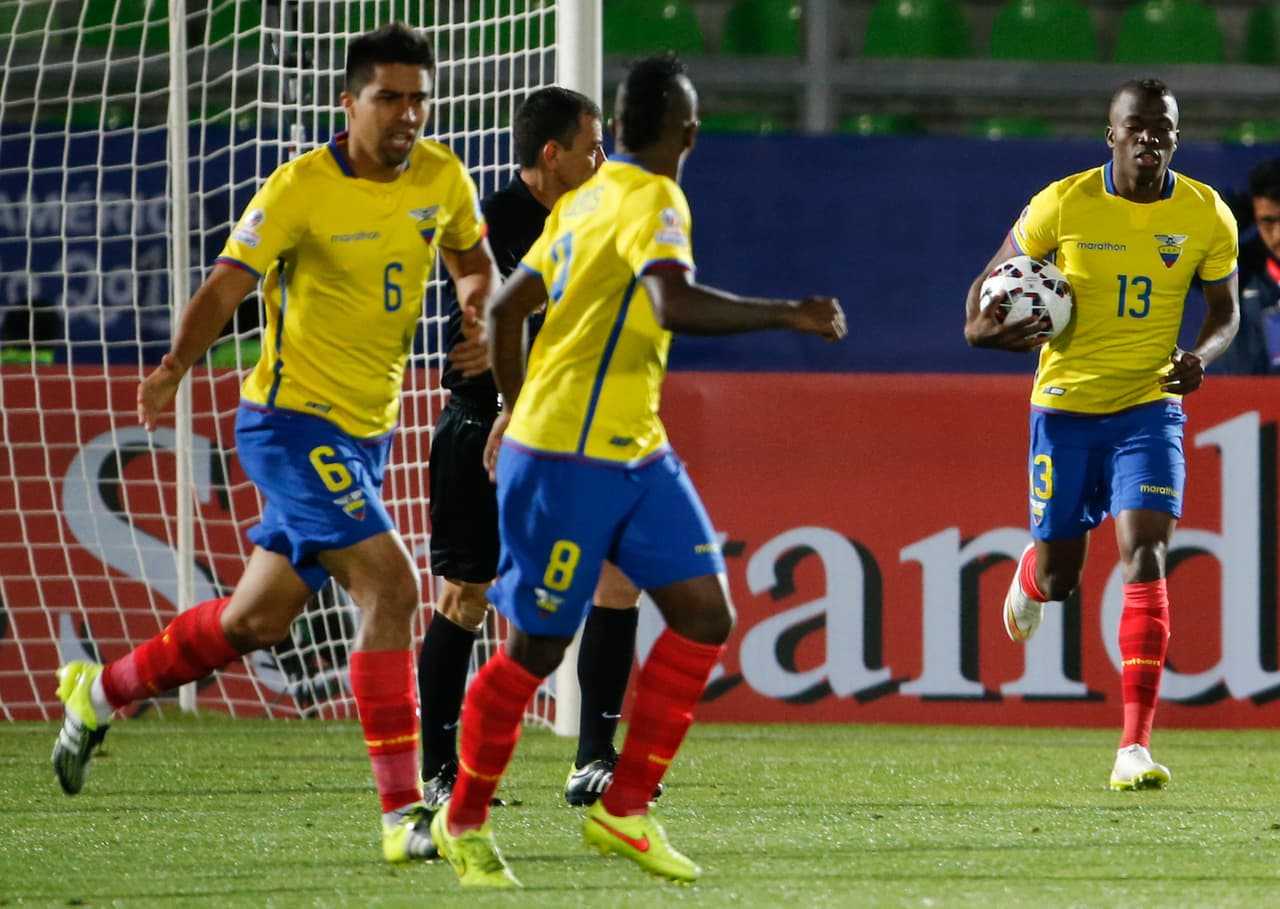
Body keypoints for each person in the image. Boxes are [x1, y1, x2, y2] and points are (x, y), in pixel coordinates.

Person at [50, 23, 499, 864]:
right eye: (388, 98)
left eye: (417, 99)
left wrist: (475, 308)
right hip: (290, 424)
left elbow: (474, 261)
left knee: (256, 621)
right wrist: (176, 366)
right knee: (392, 590)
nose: (406, 115)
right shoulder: (300, 187)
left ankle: (100, 694)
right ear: (349, 103)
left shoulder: (442, 175)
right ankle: (403, 814)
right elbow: (227, 284)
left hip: (368, 432)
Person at [427, 53, 847, 888]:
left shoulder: (585, 199)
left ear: (615, 129)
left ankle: (624, 807)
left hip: (633, 448)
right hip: (566, 458)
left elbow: (510, 306)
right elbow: (668, 301)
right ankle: (461, 816)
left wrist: (512, 401)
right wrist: (787, 313)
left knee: (702, 610)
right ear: (689, 131)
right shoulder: (654, 197)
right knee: (537, 645)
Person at [963, 78, 1239, 791]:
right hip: (1065, 408)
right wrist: (983, 330)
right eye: (1137, 126)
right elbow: (986, 290)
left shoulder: (1207, 213)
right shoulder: (1065, 202)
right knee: (1060, 577)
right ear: (1110, 134)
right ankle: (1031, 573)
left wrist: (1198, 358)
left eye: (1164, 128)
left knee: (1143, 550)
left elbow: (1226, 312)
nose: (1151, 137)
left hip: (1150, 407)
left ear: (1176, 137)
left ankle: (1133, 747)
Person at [418, 85, 655, 810]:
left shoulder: (604, 218)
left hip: (578, 435)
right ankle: (437, 767)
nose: (604, 158)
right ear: (552, 155)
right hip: (485, 428)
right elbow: (469, 344)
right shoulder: (488, 225)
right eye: (592, 147)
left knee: (619, 577)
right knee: (467, 597)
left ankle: (594, 757)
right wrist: (507, 407)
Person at [1210, 158, 1280, 375]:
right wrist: (1233, 216)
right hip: (1244, 404)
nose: (1278, 235)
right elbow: (1187, 253)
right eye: (1267, 221)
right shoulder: (1237, 267)